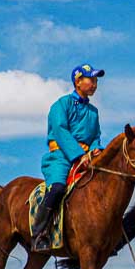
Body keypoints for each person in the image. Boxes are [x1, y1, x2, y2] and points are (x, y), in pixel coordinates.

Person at [32, 63, 105, 252]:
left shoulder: (94, 112)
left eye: (96, 80)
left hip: (87, 159)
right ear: (78, 81)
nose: (95, 84)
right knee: (57, 188)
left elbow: (96, 137)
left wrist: (96, 150)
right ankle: (40, 233)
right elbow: (60, 131)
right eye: (91, 79)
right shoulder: (61, 105)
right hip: (61, 156)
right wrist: (79, 155)